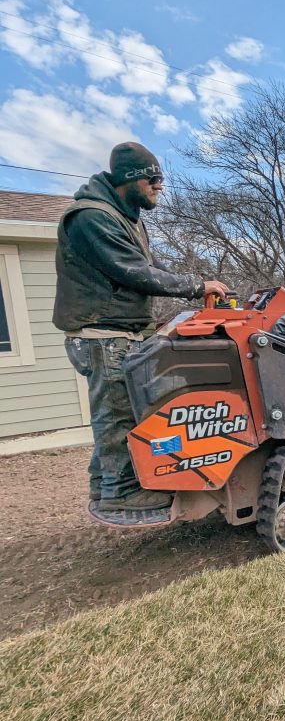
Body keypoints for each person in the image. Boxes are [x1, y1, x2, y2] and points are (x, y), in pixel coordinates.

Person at [53, 142, 230, 512]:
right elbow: (132, 272)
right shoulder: (92, 217)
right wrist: (197, 288)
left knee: (115, 414)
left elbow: (150, 267)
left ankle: (105, 487)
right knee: (118, 415)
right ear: (131, 179)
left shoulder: (125, 218)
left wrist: (197, 287)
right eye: (154, 179)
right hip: (104, 334)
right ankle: (121, 494)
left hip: (118, 332)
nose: (159, 186)